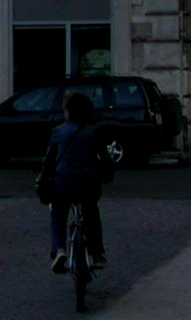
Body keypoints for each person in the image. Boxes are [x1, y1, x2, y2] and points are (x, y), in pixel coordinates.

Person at [42, 91, 112, 273]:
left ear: (68, 112)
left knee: (58, 213)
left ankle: (59, 250)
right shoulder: (93, 131)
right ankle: (97, 254)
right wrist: (108, 174)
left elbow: (49, 160)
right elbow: (104, 158)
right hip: (89, 182)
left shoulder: (58, 131)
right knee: (91, 213)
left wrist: (44, 177)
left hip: (64, 180)